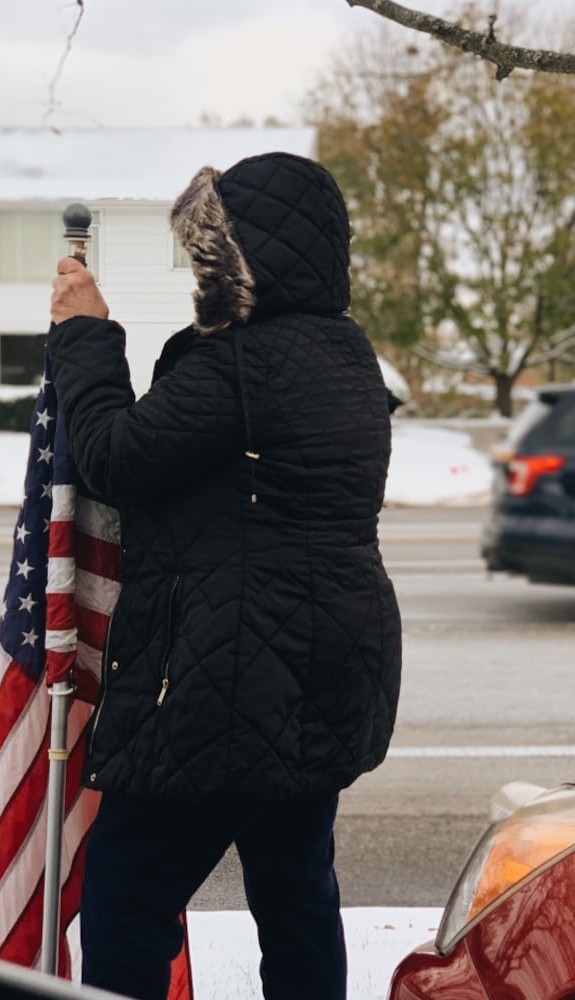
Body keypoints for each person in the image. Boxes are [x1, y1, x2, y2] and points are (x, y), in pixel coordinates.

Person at [46, 151, 403, 1000]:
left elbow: (113, 458)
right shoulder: (346, 355)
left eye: (209, 254)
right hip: (324, 668)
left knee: (127, 901)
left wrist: (87, 337)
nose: (199, 272)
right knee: (296, 897)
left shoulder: (244, 363)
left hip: (228, 676)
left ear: (244, 258)